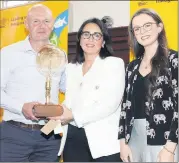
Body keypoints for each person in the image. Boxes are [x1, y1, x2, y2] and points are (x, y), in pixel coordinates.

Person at [50, 18, 125, 162]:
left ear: (103, 41)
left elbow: (110, 104)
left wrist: (73, 115)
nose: (90, 39)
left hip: (103, 142)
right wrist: (56, 113)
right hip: (72, 138)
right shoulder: (71, 68)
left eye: (96, 35)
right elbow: (70, 100)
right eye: (86, 34)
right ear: (79, 39)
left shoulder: (114, 64)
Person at [0, 4, 66, 162]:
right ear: (27, 25)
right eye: (36, 21)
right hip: (15, 132)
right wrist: (21, 107)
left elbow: (67, 88)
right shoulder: (9, 53)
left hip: (51, 132)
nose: (42, 26)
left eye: (46, 21)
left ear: (53, 24)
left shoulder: (60, 54)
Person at [118, 8, 178, 162]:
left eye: (147, 25)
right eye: (137, 29)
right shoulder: (131, 67)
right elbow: (125, 107)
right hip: (133, 141)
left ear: (159, 27)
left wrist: (169, 148)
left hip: (165, 139)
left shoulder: (174, 60)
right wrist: (122, 143)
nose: (142, 31)